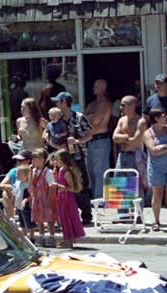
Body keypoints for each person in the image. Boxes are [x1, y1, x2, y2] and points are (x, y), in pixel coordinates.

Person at [52, 91, 93, 224]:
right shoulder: (58, 117)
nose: (56, 104)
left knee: (80, 184)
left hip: (78, 155)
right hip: (63, 157)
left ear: (64, 102)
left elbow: (89, 134)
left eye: (58, 101)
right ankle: (71, 213)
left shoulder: (79, 117)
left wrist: (77, 141)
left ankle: (86, 214)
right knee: (65, 184)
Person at [144, 108, 167, 232]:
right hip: (156, 167)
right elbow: (154, 151)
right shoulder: (147, 133)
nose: (166, 118)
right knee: (158, 193)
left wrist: (165, 146)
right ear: (156, 118)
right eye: (163, 116)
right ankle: (156, 221)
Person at [84, 79, 113, 199]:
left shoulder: (105, 104)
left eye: (97, 86)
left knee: (100, 171)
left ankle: (101, 198)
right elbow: (83, 119)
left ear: (103, 89)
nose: (94, 88)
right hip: (90, 141)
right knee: (91, 171)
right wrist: (90, 115)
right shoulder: (92, 104)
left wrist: (90, 116)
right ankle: (96, 198)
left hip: (101, 140)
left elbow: (94, 120)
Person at [50, 150, 85, 248]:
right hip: (61, 196)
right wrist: (55, 176)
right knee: (62, 218)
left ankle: (69, 241)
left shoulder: (67, 172)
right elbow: (59, 183)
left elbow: (72, 188)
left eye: (57, 159)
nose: (56, 162)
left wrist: (57, 185)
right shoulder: (61, 170)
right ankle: (67, 239)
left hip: (67, 198)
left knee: (67, 218)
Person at [29, 148, 57, 247]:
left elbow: (51, 187)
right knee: (39, 219)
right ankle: (41, 237)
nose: (34, 161)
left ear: (43, 160)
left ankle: (52, 237)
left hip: (45, 198)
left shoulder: (47, 171)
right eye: (33, 159)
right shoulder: (33, 171)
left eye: (37, 159)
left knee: (49, 219)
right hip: (37, 198)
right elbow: (30, 183)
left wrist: (49, 200)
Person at [0, 149, 32, 218]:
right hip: (16, 194)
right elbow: (1, 185)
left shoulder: (32, 171)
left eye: (20, 160)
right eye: (16, 160)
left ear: (28, 161)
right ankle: (12, 218)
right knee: (5, 193)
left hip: (29, 195)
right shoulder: (14, 171)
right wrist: (8, 186)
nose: (17, 163)